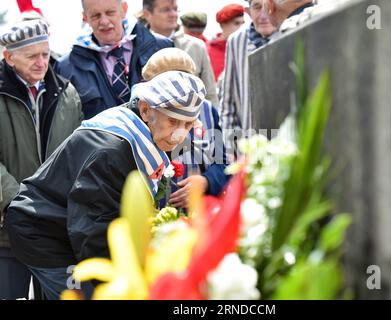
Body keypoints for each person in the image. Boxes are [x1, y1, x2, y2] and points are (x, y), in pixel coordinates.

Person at [5, 70, 206, 300]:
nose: (179, 135)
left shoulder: (134, 130)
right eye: (172, 121)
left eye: (188, 124)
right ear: (145, 109)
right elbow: (94, 227)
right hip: (45, 231)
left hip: (65, 226)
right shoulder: (112, 149)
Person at [0, 19, 83, 300]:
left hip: (57, 227)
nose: (41, 62)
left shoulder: (67, 93)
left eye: (45, 54)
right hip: (7, 227)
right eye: (31, 56)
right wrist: (16, 202)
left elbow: (78, 153)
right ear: (9, 57)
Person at [141, 48, 229, 208]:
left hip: (199, 212)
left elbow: (223, 161)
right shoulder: (143, 115)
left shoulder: (208, 111)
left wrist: (206, 182)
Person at [55, 0, 173, 119]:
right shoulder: (66, 67)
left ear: (124, 9)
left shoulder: (163, 48)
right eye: (96, 15)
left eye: (110, 12)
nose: (104, 21)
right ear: (85, 17)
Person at [220, 0, 276, 160]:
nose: (264, 15)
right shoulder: (236, 41)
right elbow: (227, 105)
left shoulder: (291, 32)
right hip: (249, 152)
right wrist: (234, 153)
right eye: (257, 7)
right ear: (248, 11)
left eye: (269, 6)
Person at [140, 0, 219, 106]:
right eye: (166, 10)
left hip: (194, 120)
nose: (173, 14)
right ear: (147, 14)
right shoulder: (136, 47)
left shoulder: (196, 46)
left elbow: (210, 94)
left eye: (175, 9)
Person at [207, 4, 245, 81]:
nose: (241, 28)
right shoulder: (207, 50)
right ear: (222, 25)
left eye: (242, 23)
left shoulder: (247, 48)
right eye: (236, 23)